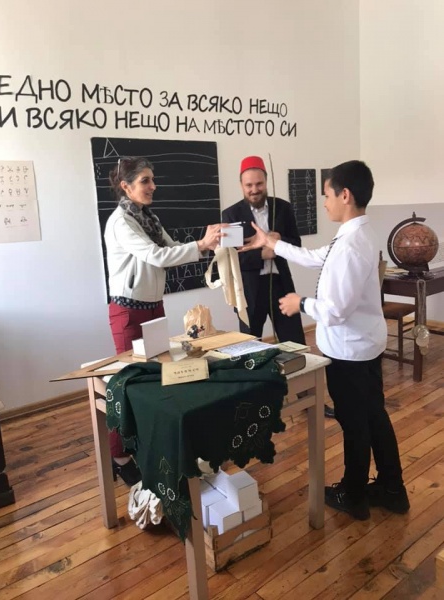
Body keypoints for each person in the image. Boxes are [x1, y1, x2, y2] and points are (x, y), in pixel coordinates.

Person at [241, 160, 409, 520]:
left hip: (350, 351)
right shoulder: (355, 234)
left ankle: (354, 494)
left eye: (327, 195)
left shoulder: (350, 245)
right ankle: (392, 489)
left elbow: (336, 310)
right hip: (363, 344)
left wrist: (299, 303)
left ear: (344, 195)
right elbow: (317, 257)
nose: (325, 202)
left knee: (354, 422)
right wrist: (274, 243)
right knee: (374, 416)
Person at [105, 156, 223, 485]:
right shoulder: (121, 222)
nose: (153, 186)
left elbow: (172, 250)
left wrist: (207, 245)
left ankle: (145, 444)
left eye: (152, 179)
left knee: (155, 380)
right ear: (126, 186)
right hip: (128, 311)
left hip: (152, 308)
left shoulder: (148, 218)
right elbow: (156, 256)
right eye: (145, 180)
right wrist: (201, 244)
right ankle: (118, 455)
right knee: (127, 384)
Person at [222, 156, 335, 419]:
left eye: (259, 184)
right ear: (241, 185)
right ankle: (251, 404)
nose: (254, 190)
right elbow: (231, 259)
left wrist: (280, 240)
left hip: (282, 286)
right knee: (248, 346)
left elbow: (296, 243)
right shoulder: (231, 215)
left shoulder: (282, 208)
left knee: (295, 342)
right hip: (249, 291)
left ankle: (309, 400)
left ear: (266, 182)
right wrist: (263, 254)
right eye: (249, 185)